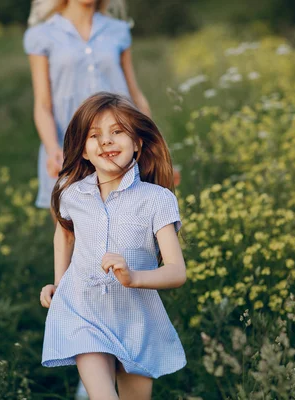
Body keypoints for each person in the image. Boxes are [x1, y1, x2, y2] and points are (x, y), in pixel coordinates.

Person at [39, 92, 187, 399]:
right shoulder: (71, 194)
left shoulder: (157, 199)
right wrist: (60, 283)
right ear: (82, 151)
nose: (106, 141)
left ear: (137, 143)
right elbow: (64, 235)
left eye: (117, 131)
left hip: (137, 319)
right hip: (84, 310)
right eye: (95, 135)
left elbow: (176, 271)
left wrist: (134, 277)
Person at [24, 0, 151, 212]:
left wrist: (150, 143)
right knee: (69, 237)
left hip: (118, 146)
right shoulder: (41, 36)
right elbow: (43, 105)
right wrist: (52, 148)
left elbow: (135, 95)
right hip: (69, 150)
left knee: (127, 232)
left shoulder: (118, 31)